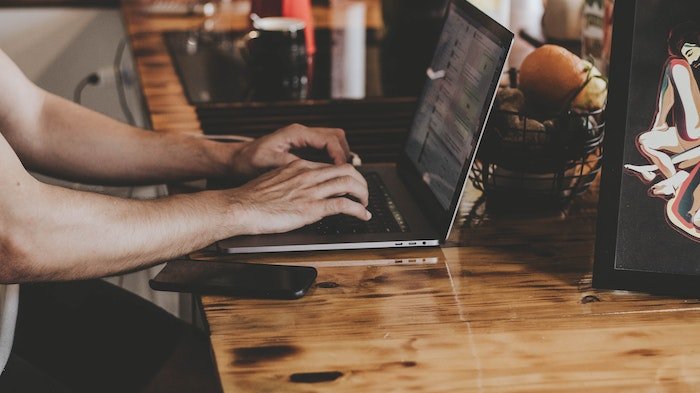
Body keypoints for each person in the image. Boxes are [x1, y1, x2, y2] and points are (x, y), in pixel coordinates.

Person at [0, 45, 370, 392]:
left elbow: (32, 117)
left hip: (19, 302)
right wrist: (242, 205)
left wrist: (229, 158)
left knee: (204, 372)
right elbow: (19, 237)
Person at [625, 23, 700, 197]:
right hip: (690, 138)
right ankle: (675, 179)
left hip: (694, 133)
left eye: (689, 53)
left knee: (675, 65)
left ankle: (664, 174)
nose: (691, 61)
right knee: (646, 141)